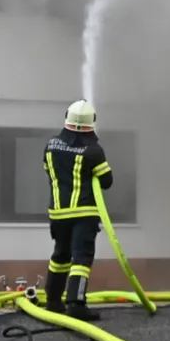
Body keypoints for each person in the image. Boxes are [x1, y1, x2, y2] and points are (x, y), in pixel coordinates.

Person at [42, 100, 113, 322]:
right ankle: (76, 303)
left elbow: (48, 170)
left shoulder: (51, 145)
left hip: (58, 213)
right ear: (92, 122)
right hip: (84, 214)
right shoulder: (93, 151)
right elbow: (107, 181)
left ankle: (53, 300)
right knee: (81, 258)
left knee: (60, 255)